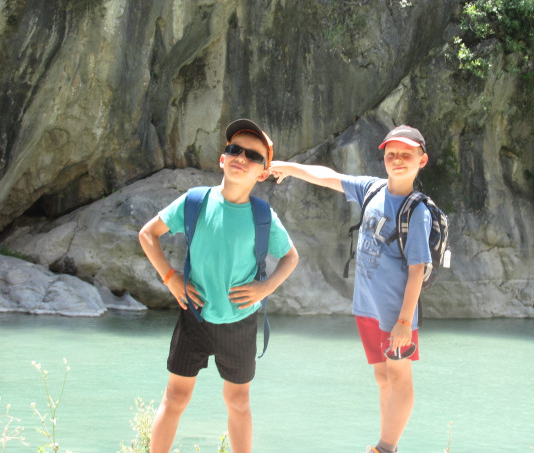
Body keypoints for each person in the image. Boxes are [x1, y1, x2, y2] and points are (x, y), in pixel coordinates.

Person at [138, 118, 299, 453]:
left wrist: (265, 289)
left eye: (253, 156)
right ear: (222, 158)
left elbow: (290, 257)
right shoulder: (195, 202)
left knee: (238, 402)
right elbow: (147, 234)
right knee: (175, 398)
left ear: (263, 173)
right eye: (235, 149)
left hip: (240, 322)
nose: (241, 157)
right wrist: (170, 278)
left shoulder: (262, 216)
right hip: (194, 316)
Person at [270, 125, 432, 453]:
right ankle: (386, 443)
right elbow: (329, 177)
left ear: (422, 160)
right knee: (383, 379)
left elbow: (418, 270)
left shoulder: (417, 211)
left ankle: (385, 447)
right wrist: (289, 168)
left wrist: (404, 321)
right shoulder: (372, 188)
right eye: (391, 154)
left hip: (396, 315)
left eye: (406, 154)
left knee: (399, 378)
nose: (397, 160)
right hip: (367, 308)